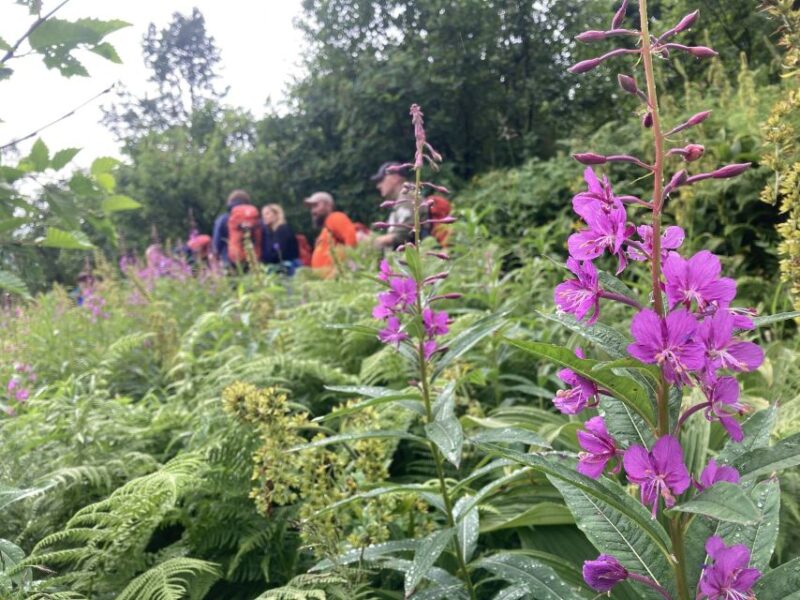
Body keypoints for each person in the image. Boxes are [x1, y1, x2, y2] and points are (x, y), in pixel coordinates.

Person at [370, 161, 421, 249]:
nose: (378, 186)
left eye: (381, 180)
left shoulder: (408, 197)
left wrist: (375, 241)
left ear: (395, 177)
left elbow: (404, 234)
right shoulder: (402, 199)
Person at [304, 191, 357, 275]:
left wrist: (350, 262)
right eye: (311, 207)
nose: (313, 211)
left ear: (328, 205)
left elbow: (350, 236)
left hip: (338, 280)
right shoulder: (326, 228)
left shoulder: (334, 217)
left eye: (316, 205)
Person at [212, 190, 255, 265]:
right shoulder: (255, 218)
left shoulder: (223, 219)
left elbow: (217, 243)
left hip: (229, 261)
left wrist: (215, 259)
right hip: (252, 261)